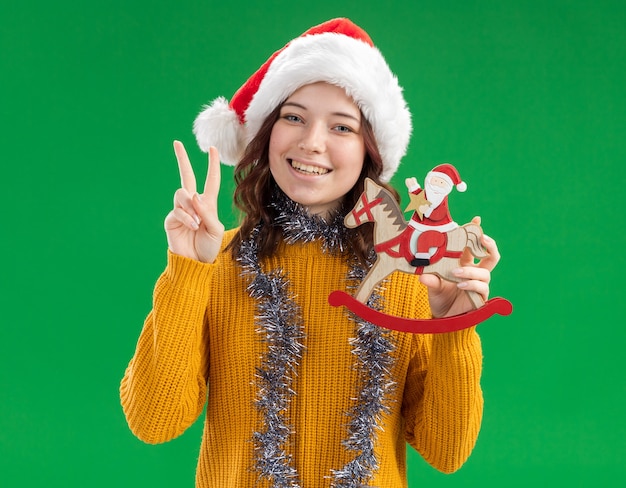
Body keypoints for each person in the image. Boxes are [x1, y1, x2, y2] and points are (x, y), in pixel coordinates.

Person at [120, 18, 500, 487]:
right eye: (294, 117)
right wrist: (187, 270)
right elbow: (154, 421)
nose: (311, 142)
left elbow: (447, 453)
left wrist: (451, 325)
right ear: (266, 133)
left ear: (370, 152)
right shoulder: (214, 261)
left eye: (342, 127)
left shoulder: (413, 276)